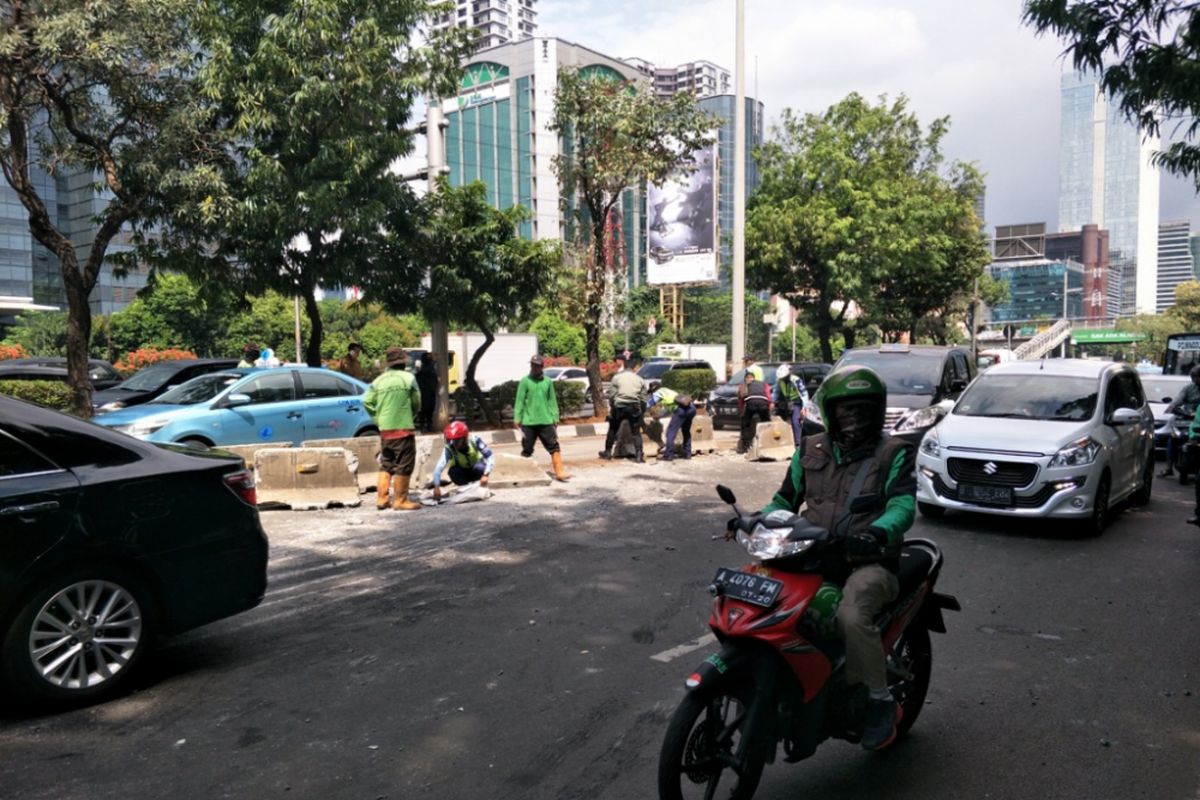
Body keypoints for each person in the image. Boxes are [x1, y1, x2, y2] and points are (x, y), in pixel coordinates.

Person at [756, 365, 916, 751]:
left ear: (877, 411)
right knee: (763, 596)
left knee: (850, 614)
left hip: (869, 561)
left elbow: (903, 505)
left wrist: (878, 531)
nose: (854, 418)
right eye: (846, 410)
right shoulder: (810, 449)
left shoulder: (894, 452)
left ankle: (878, 702)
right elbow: (783, 500)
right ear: (830, 413)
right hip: (813, 555)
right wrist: (758, 521)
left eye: (863, 410)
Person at [363, 346, 422, 511]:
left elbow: (366, 401)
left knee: (386, 463)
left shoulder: (378, 381)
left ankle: (382, 499)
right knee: (405, 464)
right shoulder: (408, 378)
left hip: (385, 430)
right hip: (403, 429)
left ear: (389, 364)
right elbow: (417, 402)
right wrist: (411, 415)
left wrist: (377, 418)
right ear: (403, 362)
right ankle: (400, 500)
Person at [514, 355, 570, 481]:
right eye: (532, 365)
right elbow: (519, 401)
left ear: (541, 367)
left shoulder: (548, 381)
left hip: (546, 421)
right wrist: (517, 417)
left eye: (537, 365)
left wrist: (555, 417)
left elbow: (552, 401)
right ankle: (524, 474)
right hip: (529, 421)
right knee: (527, 449)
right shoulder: (525, 381)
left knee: (554, 446)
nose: (534, 367)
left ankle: (559, 472)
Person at [600, 356, 649, 462]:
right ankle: (639, 454)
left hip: (619, 407)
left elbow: (612, 395)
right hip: (634, 407)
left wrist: (612, 408)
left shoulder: (617, 377)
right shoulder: (639, 379)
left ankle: (608, 452)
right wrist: (642, 412)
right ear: (634, 367)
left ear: (624, 366)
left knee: (613, 428)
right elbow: (644, 399)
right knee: (635, 432)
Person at [431, 421, 495, 501]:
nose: (453, 444)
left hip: (476, 471)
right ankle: (466, 488)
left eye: (456, 441)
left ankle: (479, 485)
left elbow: (490, 457)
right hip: (462, 473)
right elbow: (438, 468)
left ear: (464, 438)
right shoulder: (449, 448)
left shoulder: (475, 440)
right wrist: (436, 487)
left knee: (480, 468)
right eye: (450, 440)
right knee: (453, 471)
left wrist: (486, 474)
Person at [1160, 364, 1200, 477]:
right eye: (1193, 377)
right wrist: (1171, 407)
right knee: (1173, 438)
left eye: (1196, 376)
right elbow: (1178, 400)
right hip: (1187, 421)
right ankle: (1168, 468)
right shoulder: (1188, 388)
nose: (1194, 379)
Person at [647, 386, 696, 461]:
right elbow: (668, 410)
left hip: (681, 411)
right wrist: (659, 416)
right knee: (686, 431)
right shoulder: (670, 392)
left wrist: (642, 408)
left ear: (653, 390)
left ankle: (668, 455)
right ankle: (687, 454)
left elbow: (651, 402)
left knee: (670, 432)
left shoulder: (659, 392)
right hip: (692, 409)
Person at [737, 368, 771, 454]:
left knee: (745, 425)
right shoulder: (763, 384)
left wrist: (741, 412)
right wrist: (769, 407)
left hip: (751, 403)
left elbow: (741, 400)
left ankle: (746, 447)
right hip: (763, 403)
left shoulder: (744, 385)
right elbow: (768, 396)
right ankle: (767, 443)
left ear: (745, 378)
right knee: (766, 423)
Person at [773, 364, 809, 447]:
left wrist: (804, 408)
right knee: (778, 419)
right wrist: (773, 402)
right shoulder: (780, 381)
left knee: (795, 421)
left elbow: (804, 394)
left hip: (796, 403)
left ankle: (798, 443)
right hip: (786, 402)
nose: (783, 379)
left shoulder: (796, 380)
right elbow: (776, 392)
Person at [415, 352, 439, 433]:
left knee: (427, 410)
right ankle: (425, 426)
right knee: (426, 410)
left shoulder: (427, 369)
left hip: (428, 392)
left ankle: (426, 426)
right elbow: (428, 369)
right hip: (426, 392)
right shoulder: (427, 368)